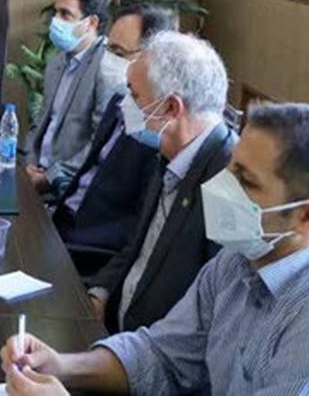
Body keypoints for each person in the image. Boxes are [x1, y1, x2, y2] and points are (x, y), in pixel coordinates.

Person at [1, 102, 309, 396]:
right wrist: (62, 365)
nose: (223, 186)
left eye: (246, 181)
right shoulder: (234, 262)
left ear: (306, 215)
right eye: (230, 169)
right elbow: (163, 355)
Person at [86, 31, 236, 334]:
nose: (125, 105)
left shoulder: (229, 180)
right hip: (114, 330)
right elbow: (139, 245)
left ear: (171, 108)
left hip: (155, 350)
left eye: (135, 96)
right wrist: (100, 292)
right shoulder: (170, 152)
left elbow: (214, 313)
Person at [53, 3, 177, 272]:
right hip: (60, 219)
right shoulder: (119, 101)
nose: (108, 60)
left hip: (88, 247)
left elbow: (138, 228)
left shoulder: (159, 130)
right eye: (109, 49)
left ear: (153, 58)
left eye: (119, 53)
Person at [24, 0, 112, 198]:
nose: (56, 20)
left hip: (68, 189)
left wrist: (50, 178)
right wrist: (29, 164)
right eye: (55, 12)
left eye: (65, 14)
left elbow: (100, 143)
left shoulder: (107, 68)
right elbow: (39, 123)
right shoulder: (56, 63)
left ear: (91, 23)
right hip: (35, 175)